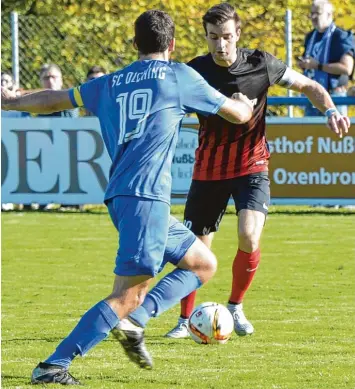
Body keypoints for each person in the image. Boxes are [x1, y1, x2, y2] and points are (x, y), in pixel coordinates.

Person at [2, 10, 254, 385]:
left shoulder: (108, 82)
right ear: (171, 45)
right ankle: (54, 365)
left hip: (123, 198)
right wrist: (244, 103)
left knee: (202, 264)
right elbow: (236, 114)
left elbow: (55, 100)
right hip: (146, 200)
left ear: (135, 44)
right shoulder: (179, 76)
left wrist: (10, 101)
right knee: (126, 294)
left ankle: (136, 319)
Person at [125, 2, 350, 340]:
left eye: (227, 37)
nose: (221, 44)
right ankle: (186, 320)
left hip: (251, 167)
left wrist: (330, 109)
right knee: (197, 250)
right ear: (206, 36)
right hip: (208, 171)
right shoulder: (193, 71)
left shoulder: (262, 64)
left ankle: (234, 306)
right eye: (213, 37)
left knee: (249, 235)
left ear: (238, 35)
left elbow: (309, 86)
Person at [297, 0, 355, 116]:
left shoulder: (341, 36)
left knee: (334, 133)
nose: (313, 17)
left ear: (329, 14)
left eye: (317, 13)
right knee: (311, 133)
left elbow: (347, 68)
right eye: (311, 13)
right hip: (313, 96)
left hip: (334, 98)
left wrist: (317, 66)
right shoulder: (310, 36)